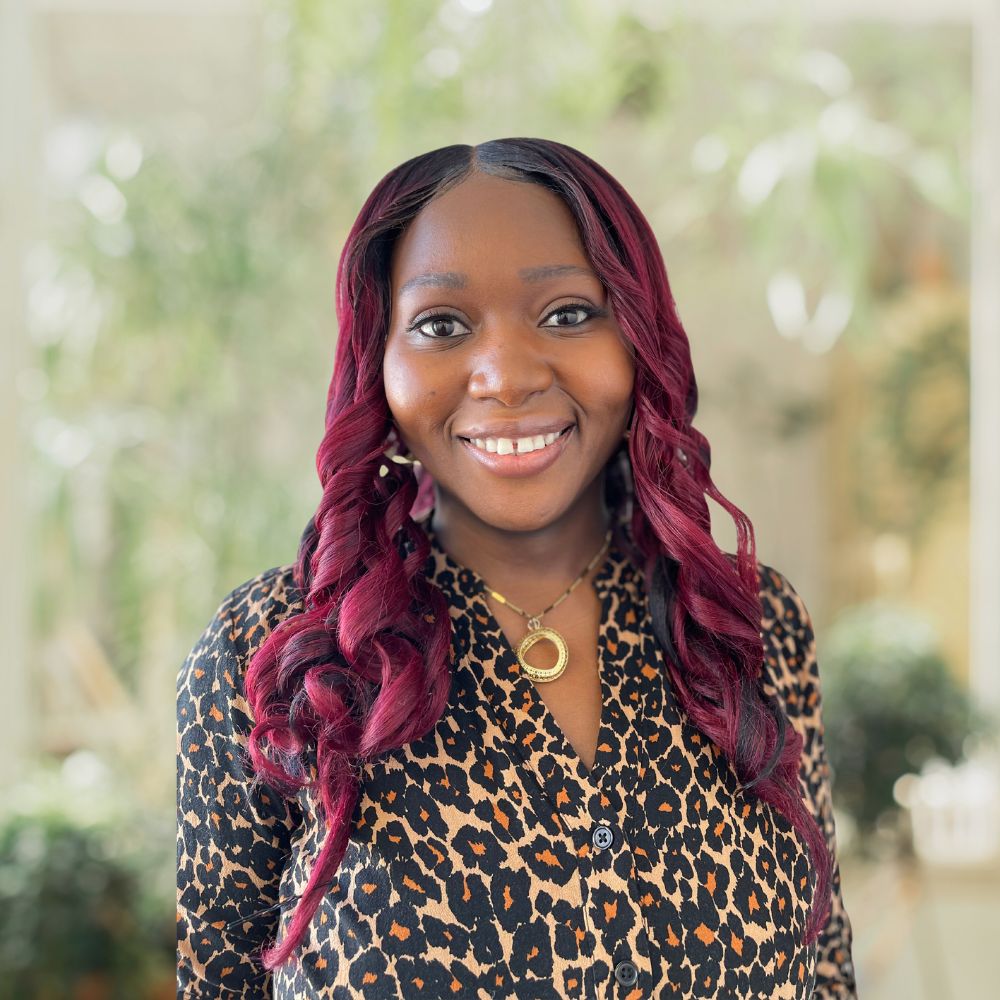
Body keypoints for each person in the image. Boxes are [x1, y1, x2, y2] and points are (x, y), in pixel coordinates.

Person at [176, 138, 856, 999]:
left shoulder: (743, 622)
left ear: (640, 340)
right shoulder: (276, 652)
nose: (503, 377)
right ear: (377, 366)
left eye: (567, 313)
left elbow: (825, 968)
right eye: (441, 326)